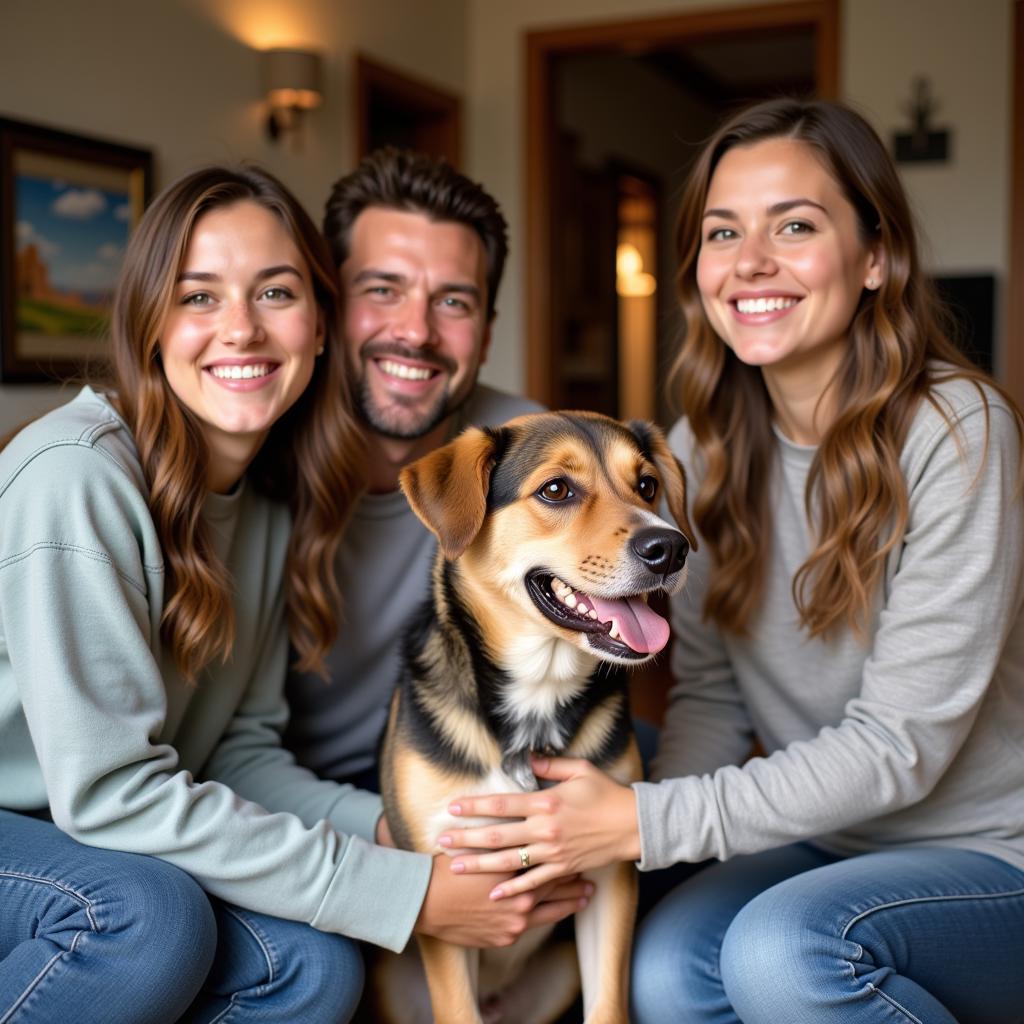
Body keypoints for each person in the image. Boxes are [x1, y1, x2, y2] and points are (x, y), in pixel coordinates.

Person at [430, 98, 1024, 1024]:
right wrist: (605, 828)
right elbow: (707, 696)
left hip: (989, 852)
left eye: (795, 224)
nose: (750, 261)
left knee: (784, 955)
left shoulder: (958, 430)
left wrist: (640, 822)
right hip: (822, 836)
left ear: (875, 258)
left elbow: (901, 748)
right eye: (721, 232)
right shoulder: (695, 448)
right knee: (665, 975)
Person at [0, 164, 583, 1024]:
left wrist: (414, 831)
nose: (240, 329)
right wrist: (408, 892)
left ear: (318, 326)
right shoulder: (77, 476)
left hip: (92, 827)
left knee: (309, 968)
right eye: (199, 297)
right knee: (145, 920)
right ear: (149, 324)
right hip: (37, 823)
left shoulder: (267, 498)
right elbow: (110, 793)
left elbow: (239, 750)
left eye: (273, 293)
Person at [284, 148, 542, 798]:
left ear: (485, 335)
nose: (416, 331)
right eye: (382, 290)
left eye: (453, 302)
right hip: (281, 791)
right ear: (327, 308)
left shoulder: (522, 457)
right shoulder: (256, 450)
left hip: (463, 765)